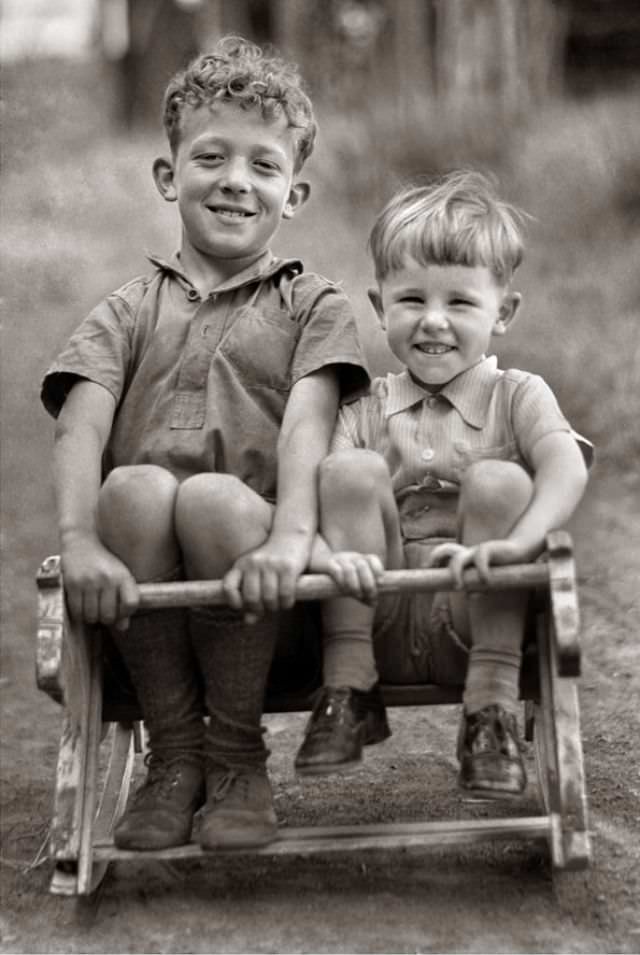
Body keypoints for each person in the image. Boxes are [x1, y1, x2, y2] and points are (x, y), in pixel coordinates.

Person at [40, 36, 373, 852]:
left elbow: (309, 424)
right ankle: (174, 756)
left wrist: (293, 536)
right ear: (169, 176)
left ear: (293, 194)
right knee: (133, 489)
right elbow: (81, 421)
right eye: (212, 157)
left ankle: (234, 757)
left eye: (263, 167)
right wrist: (80, 541)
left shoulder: (314, 305)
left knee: (215, 499)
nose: (235, 181)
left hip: (269, 598)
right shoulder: (126, 309)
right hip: (141, 609)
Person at [296, 169, 591, 798]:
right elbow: (312, 505)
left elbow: (566, 467)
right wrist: (326, 559)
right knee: (344, 470)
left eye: (459, 302)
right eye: (411, 301)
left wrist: (517, 547)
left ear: (503, 311)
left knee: (498, 483)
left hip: (480, 622)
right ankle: (348, 690)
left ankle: (491, 712)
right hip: (376, 618)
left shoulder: (518, 396)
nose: (433, 322)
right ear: (379, 309)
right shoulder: (364, 407)